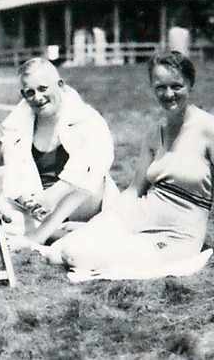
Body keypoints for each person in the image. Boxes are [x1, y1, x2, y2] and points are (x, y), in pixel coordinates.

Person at [43, 51, 214, 278]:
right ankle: (94, 235)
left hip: (176, 235)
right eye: (160, 87)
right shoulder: (156, 132)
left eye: (176, 86)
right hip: (138, 215)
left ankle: (96, 241)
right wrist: (101, 221)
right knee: (56, 253)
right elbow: (134, 190)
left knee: (75, 255)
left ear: (190, 84)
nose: (168, 93)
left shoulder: (208, 129)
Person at [0, 57, 118, 246]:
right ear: (23, 95)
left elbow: (92, 167)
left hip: (79, 201)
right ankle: (66, 233)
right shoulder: (16, 125)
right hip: (40, 206)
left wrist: (52, 197)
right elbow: (13, 172)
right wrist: (28, 200)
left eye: (43, 88)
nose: (37, 97)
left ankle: (40, 236)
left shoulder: (86, 118)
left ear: (60, 85)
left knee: (87, 181)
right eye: (30, 92)